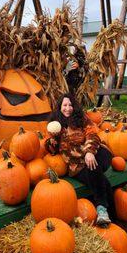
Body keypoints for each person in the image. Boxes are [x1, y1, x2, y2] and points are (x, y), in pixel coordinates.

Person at [45, 93, 115, 226]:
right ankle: (107, 213)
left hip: (96, 154)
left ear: (74, 106)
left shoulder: (81, 119)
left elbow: (93, 135)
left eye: (70, 105)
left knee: (94, 164)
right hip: (77, 166)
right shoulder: (55, 125)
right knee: (100, 177)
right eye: (64, 105)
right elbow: (51, 150)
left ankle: (101, 209)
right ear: (60, 107)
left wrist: (89, 152)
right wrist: (52, 141)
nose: (68, 108)